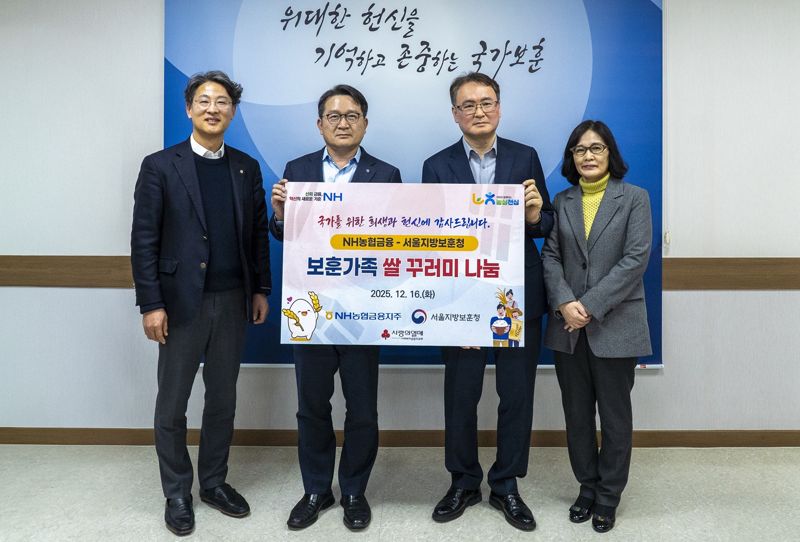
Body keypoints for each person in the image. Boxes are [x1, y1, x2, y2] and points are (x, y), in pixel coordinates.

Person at [131, 71, 271, 536]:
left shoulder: (246, 167)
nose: (214, 109)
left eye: (223, 101)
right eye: (205, 101)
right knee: (172, 403)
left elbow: (257, 235)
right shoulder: (160, 165)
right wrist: (151, 303)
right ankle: (176, 491)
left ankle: (213, 482)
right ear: (189, 108)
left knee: (222, 399)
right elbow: (144, 239)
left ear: (233, 111)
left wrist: (261, 289)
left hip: (232, 301)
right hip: (179, 304)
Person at [422, 72, 553, 532]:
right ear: (455, 114)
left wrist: (534, 216)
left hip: (516, 295)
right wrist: (452, 309)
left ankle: (506, 485)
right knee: (461, 395)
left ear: (499, 107)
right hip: (460, 297)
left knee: (516, 395)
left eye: (487, 102)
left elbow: (545, 223)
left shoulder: (525, 156)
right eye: (468, 105)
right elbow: (429, 237)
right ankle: (463, 481)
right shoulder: (435, 165)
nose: (479, 111)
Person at [270, 84, 401, 531]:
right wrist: (280, 215)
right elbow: (282, 233)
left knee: (362, 407)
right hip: (308, 304)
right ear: (320, 123)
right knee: (312, 404)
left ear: (365, 123)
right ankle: (315, 489)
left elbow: (398, 240)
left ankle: (354, 490)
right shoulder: (298, 170)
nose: (342, 123)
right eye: (334, 116)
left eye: (351, 116)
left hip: (364, 307)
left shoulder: (387, 174)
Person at [541, 120, 652, 533]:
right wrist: (564, 302)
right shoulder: (562, 200)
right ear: (571, 157)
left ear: (610, 154)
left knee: (615, 417)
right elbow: (551, 257)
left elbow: (635, 259)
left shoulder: (634, 198)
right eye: (580, 150)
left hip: (615, 324)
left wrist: (587, 306)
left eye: (596, 148)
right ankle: (586, 487)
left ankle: (608, 496)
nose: (588, 156)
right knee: (577, 415)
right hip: (567, 328)